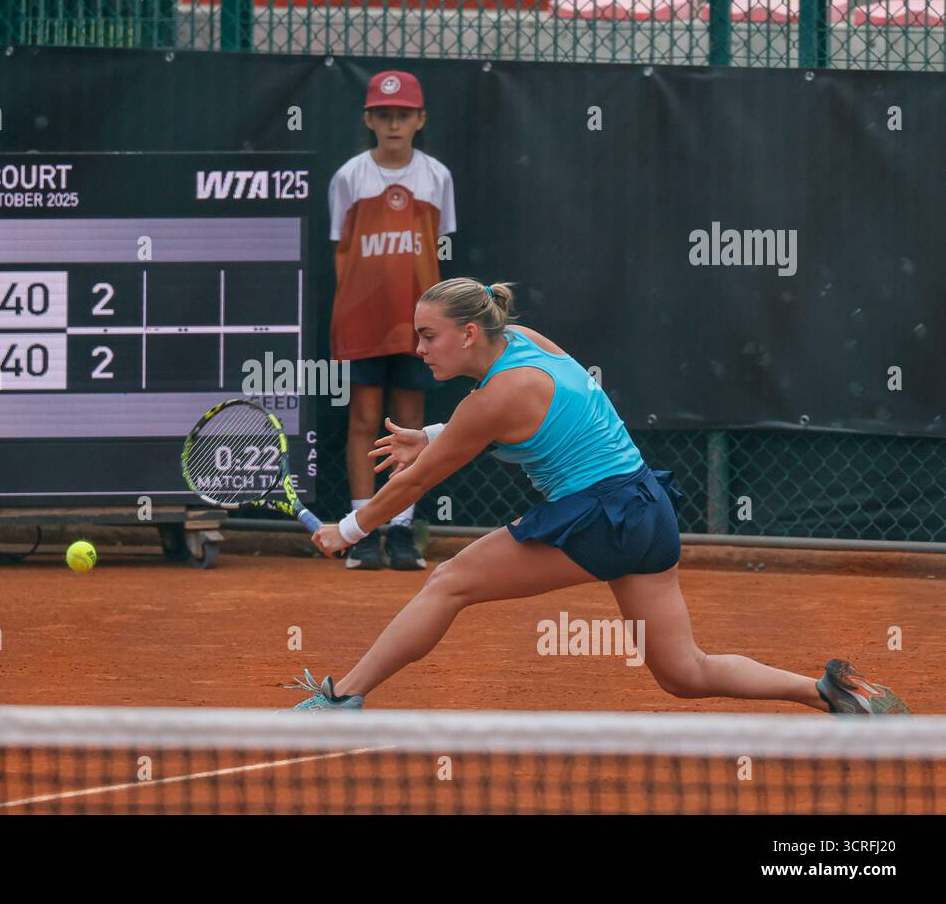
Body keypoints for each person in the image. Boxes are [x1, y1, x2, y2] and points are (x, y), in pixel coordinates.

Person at [288, 277, 910, 717]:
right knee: (683, 673)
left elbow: (420, 482)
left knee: (449, 581)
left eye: (428, 337)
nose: (419, 350)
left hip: (599, 517)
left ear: (469, 333)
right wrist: (427, 434)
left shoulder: (494, 398)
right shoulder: (526, 341)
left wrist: (346, 531)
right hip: (646, 506)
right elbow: (553, 413)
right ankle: (828, 692)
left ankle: (342, 698)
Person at [329, 69, 455, 571]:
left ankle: (401, 531)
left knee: (409, 425)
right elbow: (340, 247)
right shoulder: (350, 176)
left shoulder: (437, 177)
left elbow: (440, 245)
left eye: (403, 114)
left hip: (418, 323)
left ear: (420, 120)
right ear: (369, 120)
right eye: (383, 115)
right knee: (363, 420)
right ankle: (362, 533)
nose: (394, 124)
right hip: (360, 319)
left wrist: (430, 323)